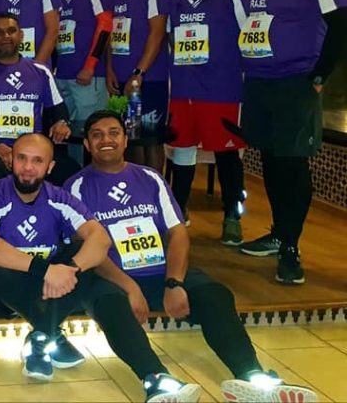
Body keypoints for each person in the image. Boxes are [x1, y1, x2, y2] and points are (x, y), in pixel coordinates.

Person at [65, 110, 318, 403]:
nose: (105, 140)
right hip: (113, 279)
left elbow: (178, 233)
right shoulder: (77, 187)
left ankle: (252, 378)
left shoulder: (150, 178)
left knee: (215, 294)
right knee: (110, 306)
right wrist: (130, 287)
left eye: (113, 133)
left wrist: (174, 282)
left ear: (125, 140)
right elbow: (88, 252)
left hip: (161, 274)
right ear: (87, 145)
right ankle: (157, 381)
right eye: (96, 135)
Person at [0, 132, 202, 402]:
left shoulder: (59, 197)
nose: (28, 167)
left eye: (37, 160)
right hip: (6, 287)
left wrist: (70, 268)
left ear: (50, 167)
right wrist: (46, 271)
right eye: (21, 158)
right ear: (10, 161)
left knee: (90, 259)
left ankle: (155, 379)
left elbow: (100, 238)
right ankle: (48, 331)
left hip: (52, 287)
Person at [236, 0, 347, 284]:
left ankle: (291, 248)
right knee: (269, 160)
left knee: (291, 163)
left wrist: (320, 74)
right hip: (260, 81)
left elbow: (341, 22)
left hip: (295, 82)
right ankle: (278, 231)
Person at [167, 0, 247, 245]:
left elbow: (251, 34)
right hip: (184, 91)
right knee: (181, 153)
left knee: (228, 156)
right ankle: (179, 211)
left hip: (223, 90)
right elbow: (172, 37)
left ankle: (232, 216)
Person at [0, 12, 76, 186]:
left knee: (69, 171)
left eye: (11, 31)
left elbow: (57, 106)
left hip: (34, 147)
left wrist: (61, 121)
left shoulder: (41, 70)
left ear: (21, 35)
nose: (5, 36)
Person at [106, 0, 173, 171]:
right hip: (122, 83)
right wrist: (111, 68)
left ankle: (155, 196)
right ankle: (137, 195)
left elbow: (158, 31)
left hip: (147, 81)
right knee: (130, 138)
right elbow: (114, 31)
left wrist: (139, 73)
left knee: (150, 140)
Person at [55, 0, 113, 165]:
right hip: (65, 76)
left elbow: (106, 24)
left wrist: (90, 65)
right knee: (70, 139)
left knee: (93, 135)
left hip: (88, 78)